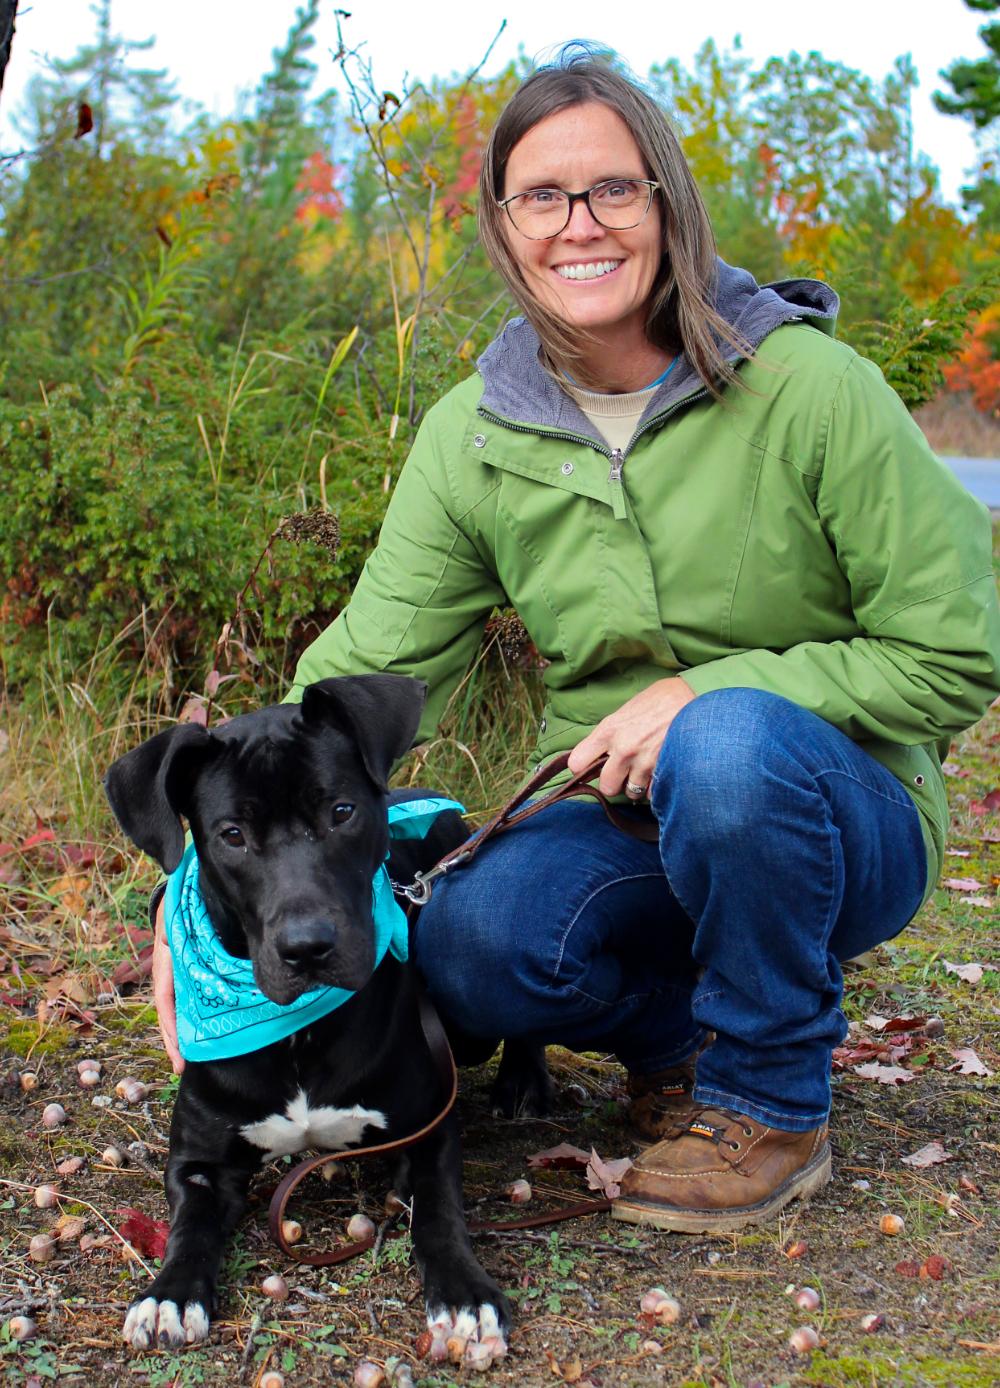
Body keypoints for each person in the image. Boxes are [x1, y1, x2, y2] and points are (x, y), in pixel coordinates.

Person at [151, 47, 1000, 1232]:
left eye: (613, 189)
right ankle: (681, 1040)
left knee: (732, 748)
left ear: (665, 202)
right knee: (469, 942)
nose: (579, 225)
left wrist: (708, 689)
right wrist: (199, 891)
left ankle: (771, 1099)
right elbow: (347, 684)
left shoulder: (811, 388)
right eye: (541, 197)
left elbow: (955, 649)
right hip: (611, 818)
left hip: (832, 812)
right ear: (503, 226)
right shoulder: (475, 434)